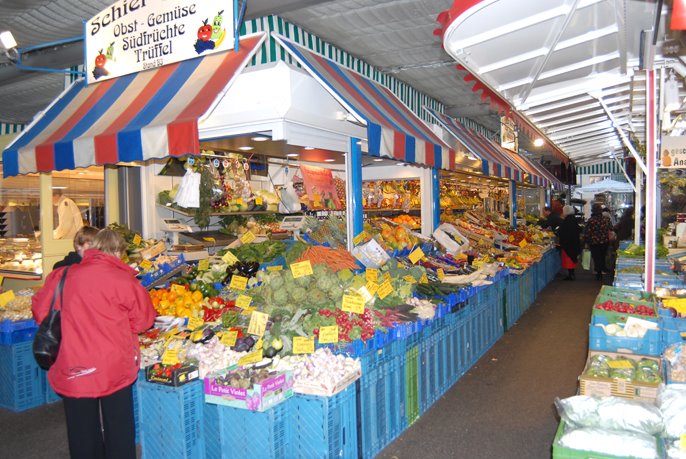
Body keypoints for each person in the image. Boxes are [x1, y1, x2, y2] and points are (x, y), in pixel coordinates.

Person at [32, 228, 155, 459]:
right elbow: (143, 321)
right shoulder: (123, 280)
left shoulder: (62, 275)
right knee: (119, 426)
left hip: (73, 364)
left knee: (81, 430)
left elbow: (40, 312)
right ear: (116, 252)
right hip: (113, 364)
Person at [584, 203, 613, 280]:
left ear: (592, 210)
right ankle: (603, 268)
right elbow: (611, 228)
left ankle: (599, 272)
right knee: (602, 256)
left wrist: (586, 241)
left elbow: (587, 232)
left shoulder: (591, 220)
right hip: (604, 241)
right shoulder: (606, 219)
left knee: (596, 257)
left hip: (594, 242)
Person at [558, 205, 582, 280]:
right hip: (574, 242)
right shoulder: (574, 219)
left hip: (567, 243)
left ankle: (571, 275)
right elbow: (579, 229)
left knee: (568, 258)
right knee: (573, 257)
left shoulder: (566, 221)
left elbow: (561, 231)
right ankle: (572, 274)